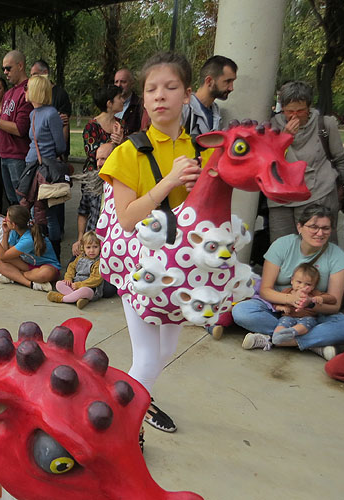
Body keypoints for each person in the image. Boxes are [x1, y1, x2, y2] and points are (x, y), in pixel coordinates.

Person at [98, 52, 202, 433]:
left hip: (179, 267)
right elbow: (127, 218)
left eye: (170, 87)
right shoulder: (128, 152)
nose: (160, 96)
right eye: (151, 89)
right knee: (146, 356)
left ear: (187, 94)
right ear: (142, 98)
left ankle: (139, 401)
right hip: (139, 266)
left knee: (165, 350)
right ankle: (117, 424)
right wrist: (170, 181)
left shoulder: (201, 151)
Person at [233, 205, 344, 361]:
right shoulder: (282, 245)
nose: (320, 233)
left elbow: (334, 306)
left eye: (325, 228)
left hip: (314, 314)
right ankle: (313, 344)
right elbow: (266, 290)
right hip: (279, 307)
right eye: (313, 227)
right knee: (242, 311)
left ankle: (274, 339)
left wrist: (310, 303)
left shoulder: (338, 257)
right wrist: (290, 299)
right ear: (299, 227)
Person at [268, 81, 344, 244]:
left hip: (318, 194)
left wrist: (340, 186)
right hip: (281, 197)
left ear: (309, 107)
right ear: (282, 108)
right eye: (289, 111)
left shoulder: (325, 124)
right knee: (282, 248)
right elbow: (269, 159)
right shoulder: (273, 125)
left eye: (300, 111)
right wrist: (285, 137)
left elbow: (340, 159)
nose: (294, 116)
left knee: (318, 247)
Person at [0, 50, 33, 205]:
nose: (5, 72)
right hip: (3, 154)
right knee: (12, 201)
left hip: (18, 155)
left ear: (20, 66)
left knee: (22, 202)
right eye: (3, 69)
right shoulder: (8, 94)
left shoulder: (27, 91)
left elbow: (20, 129)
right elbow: (4, 123)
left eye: (8, 68)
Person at [24, 75, 66, 259]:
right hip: (40, 168)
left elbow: (58, 145)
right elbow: (60, 146)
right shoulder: (41, 114)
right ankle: (48, 253)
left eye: (28, 87)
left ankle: (49, 254)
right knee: (44, 213)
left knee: (43, 212)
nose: (25, 91)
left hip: (39, 169)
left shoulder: (43, 114)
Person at [0, 204, 60, 292]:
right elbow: (6, 255)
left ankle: (14, 276)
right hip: (27, 265)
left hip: (46, 266)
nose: (4, 220)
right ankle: (30, 284)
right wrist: (5, 233)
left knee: (45, 274)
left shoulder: (28, 239)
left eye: (7, 219)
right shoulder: (14, 231)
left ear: (13, 224)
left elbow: (3, 255)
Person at [270, 263, 336, 345]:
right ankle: (277, 336)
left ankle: (292, 332)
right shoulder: (287, 292)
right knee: (282, 324)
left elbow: (333, 299)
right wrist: (281, 308)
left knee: (306, 325)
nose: (302, 286)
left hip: (307, 318)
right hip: (289, 316)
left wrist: (321, 298)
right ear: (292, 280)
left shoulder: (314, 294)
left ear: (313, 286)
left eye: (308, 284)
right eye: (299, 282)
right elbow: (274, 304)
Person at [72, 142, 115, 256]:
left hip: (112, 243)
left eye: (103, 159)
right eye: (97, 159)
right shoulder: (92, 183)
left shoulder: (123, 185)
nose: (99, 163)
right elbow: (83, 212)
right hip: (91, 241)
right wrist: (80, 239)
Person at [182, 55, 237, 136]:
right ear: (209, 81)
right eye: (227, 81)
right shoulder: (183, 109)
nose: (231, 88)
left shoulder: (215, 112)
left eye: (232, 82)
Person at [47, 231, 103, 310]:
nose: (92, 250)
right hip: (75, 285)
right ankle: (79, 299)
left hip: (90, 288)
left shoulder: (99, 262)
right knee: (59, 284)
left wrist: (79, 285)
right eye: (88, 247)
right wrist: (68, 278)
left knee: (84, 291)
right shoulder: (80, 257)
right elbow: (71, 267)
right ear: (83, 247)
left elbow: (96, 280)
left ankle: (62, 298)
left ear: (100, 247)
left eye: (95, 247)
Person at [114, 68, 143, 136]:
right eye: (116, 82)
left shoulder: (140, 105)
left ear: (132, 84)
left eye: (123, 82)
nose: (119, 85)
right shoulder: (108, 104)